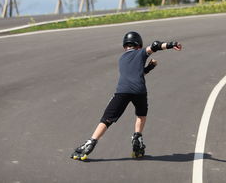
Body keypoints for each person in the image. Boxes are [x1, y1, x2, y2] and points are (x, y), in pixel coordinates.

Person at [71, 31, 182, 160]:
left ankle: (90, 143)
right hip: (140, 91)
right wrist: (171, 44)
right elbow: (155, 45)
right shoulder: (141, 53)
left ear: (125, 46)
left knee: (107, 119)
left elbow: (134, 73)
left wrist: (149, 68)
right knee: (141, 115)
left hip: (122, 91)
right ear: (139, 45)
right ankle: (137, 139)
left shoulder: (122, 59)